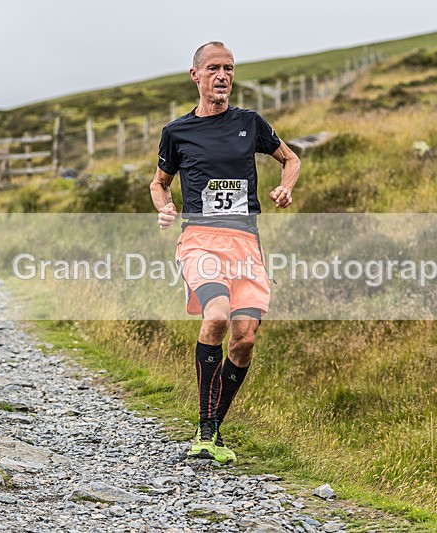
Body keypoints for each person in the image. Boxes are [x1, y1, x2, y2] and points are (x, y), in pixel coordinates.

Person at [150, 41, 300, 464]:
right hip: (200, 239)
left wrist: (286, 186)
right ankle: (204, 429)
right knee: (215, 315)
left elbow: (291, 159)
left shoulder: (250, 123)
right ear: (195, 75)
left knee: (245, 339)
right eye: (214, 68)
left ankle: (214, 428)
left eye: (229, 68)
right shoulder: (177, 132)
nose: (223, 76)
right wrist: (165, 208)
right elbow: (159, 182)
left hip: (246, 244)